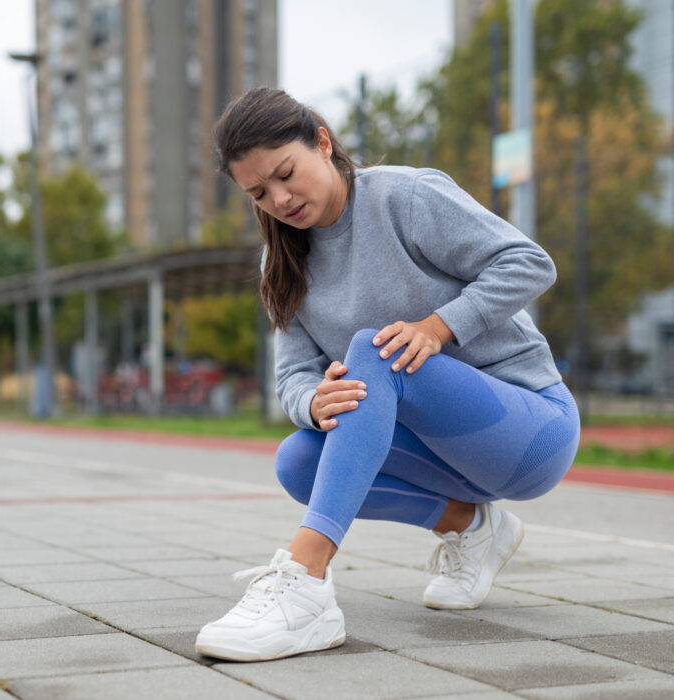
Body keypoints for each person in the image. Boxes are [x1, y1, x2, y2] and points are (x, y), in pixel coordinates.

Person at [194, 87, 580, 662]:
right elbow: (294, 376)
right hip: (443, 457)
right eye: (259, 192)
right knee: (299, 460)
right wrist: (314, 402)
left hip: (528, 429)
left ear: (322, 143)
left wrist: (438, 326)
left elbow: (529, 262)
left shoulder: (402, 195)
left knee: (373, 348)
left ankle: (306, 580)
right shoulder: (282, 262)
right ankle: (471, 527)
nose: (279, 198)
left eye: (286, 173)